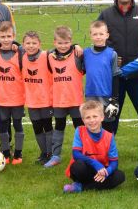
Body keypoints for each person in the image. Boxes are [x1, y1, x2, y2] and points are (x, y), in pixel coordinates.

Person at [97, 0, 138, 143]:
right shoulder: (105, 15)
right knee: (111, 115)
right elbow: (98, 41)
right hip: (114, 78)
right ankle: (107, 151)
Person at [63, 100, 125, 193]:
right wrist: (95, 164)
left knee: (120, 176)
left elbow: (114, 162)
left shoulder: (109, 136)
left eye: (95, 116)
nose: (92, 120)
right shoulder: (79, 131)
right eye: (88, 117)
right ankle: (94, 184)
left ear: (102, 117)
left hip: (101, 170)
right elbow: (76, 154)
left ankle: (81, 187)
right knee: (78, 166)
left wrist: (106, 172)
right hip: (85, 168)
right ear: (83, 120)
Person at [44, 26, 85, 168]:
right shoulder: (49, 56)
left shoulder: (78, 55)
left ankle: (84, 153)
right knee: (59, 127)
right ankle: (56, 156)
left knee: (80, 128)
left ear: (71, 41)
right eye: (60, 43)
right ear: (54, 42)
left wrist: (76, 46)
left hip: (76, 100)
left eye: (66, 43)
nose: (63, 46)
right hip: (59, 100)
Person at [0, 21, 25, 165]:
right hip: (0, 99)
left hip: (17, 98)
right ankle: (5, 153)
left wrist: (18, 45)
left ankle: (18, 154)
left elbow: (32, 52)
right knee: (3, 127)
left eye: (9, 36)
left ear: (14, 36)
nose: (6, 39)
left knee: (18, 125)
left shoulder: (20, 53)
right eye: (2, 36)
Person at [21, 31, 54, 165]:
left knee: (47, 126)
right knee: (37, 127)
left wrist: (75, 46)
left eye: (34, 43)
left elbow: (61, 50)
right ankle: (43, 152)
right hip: (31, 101)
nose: (31, 46)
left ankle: (50, 153)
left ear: (39, 44)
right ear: (23, 45)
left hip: (46, 100)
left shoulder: (47, 56)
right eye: (28, 43)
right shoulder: (21, 57)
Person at [83, 20, 120, 133]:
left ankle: (108, 150)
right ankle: (94, 150)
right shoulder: (85, 53)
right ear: (90, 35)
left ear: (107, 35)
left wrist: (114, 99)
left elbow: (115, 76)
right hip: (91, 96)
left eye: (101, 34)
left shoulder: (112, 54)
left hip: (106, 97)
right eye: (95, 34)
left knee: (108, 128)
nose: (98, 37)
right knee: (92, 126)